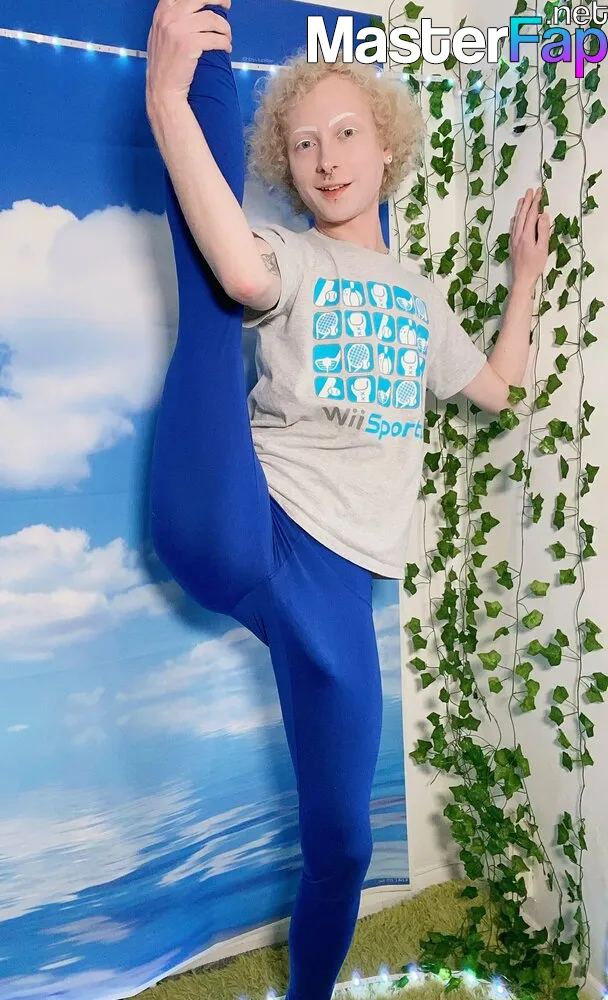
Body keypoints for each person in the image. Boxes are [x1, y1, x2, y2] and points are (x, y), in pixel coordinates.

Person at [145, 2, 550, 998]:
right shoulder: (293, 255)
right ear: (287, 168)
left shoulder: (420, 297)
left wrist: (526, 280)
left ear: (385, 147)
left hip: (335, 592)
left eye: (344, 133)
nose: (325, 157)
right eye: (302, 143)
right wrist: (166, 98)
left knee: (343, 849)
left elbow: (499, 388)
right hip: (243, 522)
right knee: (216, 289)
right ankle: (195, 66)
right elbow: (240, 265)